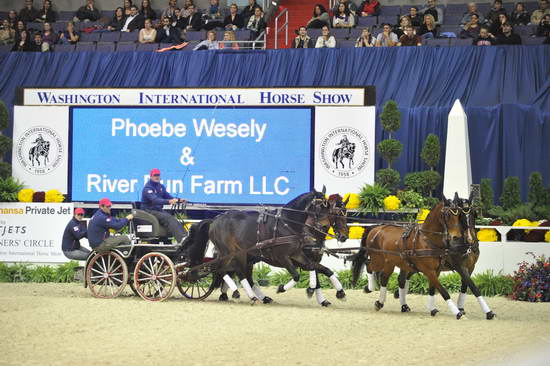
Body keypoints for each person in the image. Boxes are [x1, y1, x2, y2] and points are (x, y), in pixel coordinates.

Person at [141, 169, 187, 243]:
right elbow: (155, 200)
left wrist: (179, 200)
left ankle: (186, 237)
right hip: (148, 210)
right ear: (151, 176)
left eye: (158, 175)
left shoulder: (161, 187)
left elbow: (168, 196)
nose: (157, 177)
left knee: (173, 219)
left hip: (157, 210)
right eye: (155, 175)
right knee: (168, 218)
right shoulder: (147, 188)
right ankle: (182, 240)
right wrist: (169, 201)